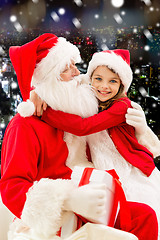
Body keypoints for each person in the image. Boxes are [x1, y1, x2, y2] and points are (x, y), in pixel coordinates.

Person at [0, 34, 158, 240]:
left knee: (145, 216)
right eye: (68, 67)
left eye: (76, 65)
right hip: (55, 218)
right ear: (50, 77)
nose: (77, 72)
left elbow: (95, 82)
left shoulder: (74, 108)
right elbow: (12, 188)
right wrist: (68, 200)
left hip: (90, 203)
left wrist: (141, 130)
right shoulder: (24, 125)